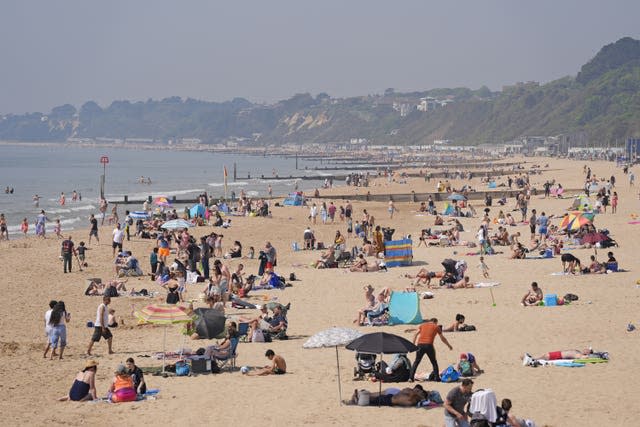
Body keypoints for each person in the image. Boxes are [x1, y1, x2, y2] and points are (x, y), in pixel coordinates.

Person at [409, 318, 453, 382]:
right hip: (429, 345)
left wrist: (413, 344)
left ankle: (411, 377)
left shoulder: (422, 325)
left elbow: (415, 334)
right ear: (435, 322)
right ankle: (437, 378)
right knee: (434, 362)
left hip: (420, 345)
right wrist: (449, 345)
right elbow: (442, 338)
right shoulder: (436, 327)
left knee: (416, 361)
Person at [523, 348, 596, 365]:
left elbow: (584, 358)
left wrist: (590, 357)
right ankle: (531, 358)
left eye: (587, 350)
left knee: (545, 356)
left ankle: (531, 359)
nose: (585, 349)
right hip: (559, 354)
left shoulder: (579, 355)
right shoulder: (579, 352)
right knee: (545, 355)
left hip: (560, 355)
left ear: (588, 353)